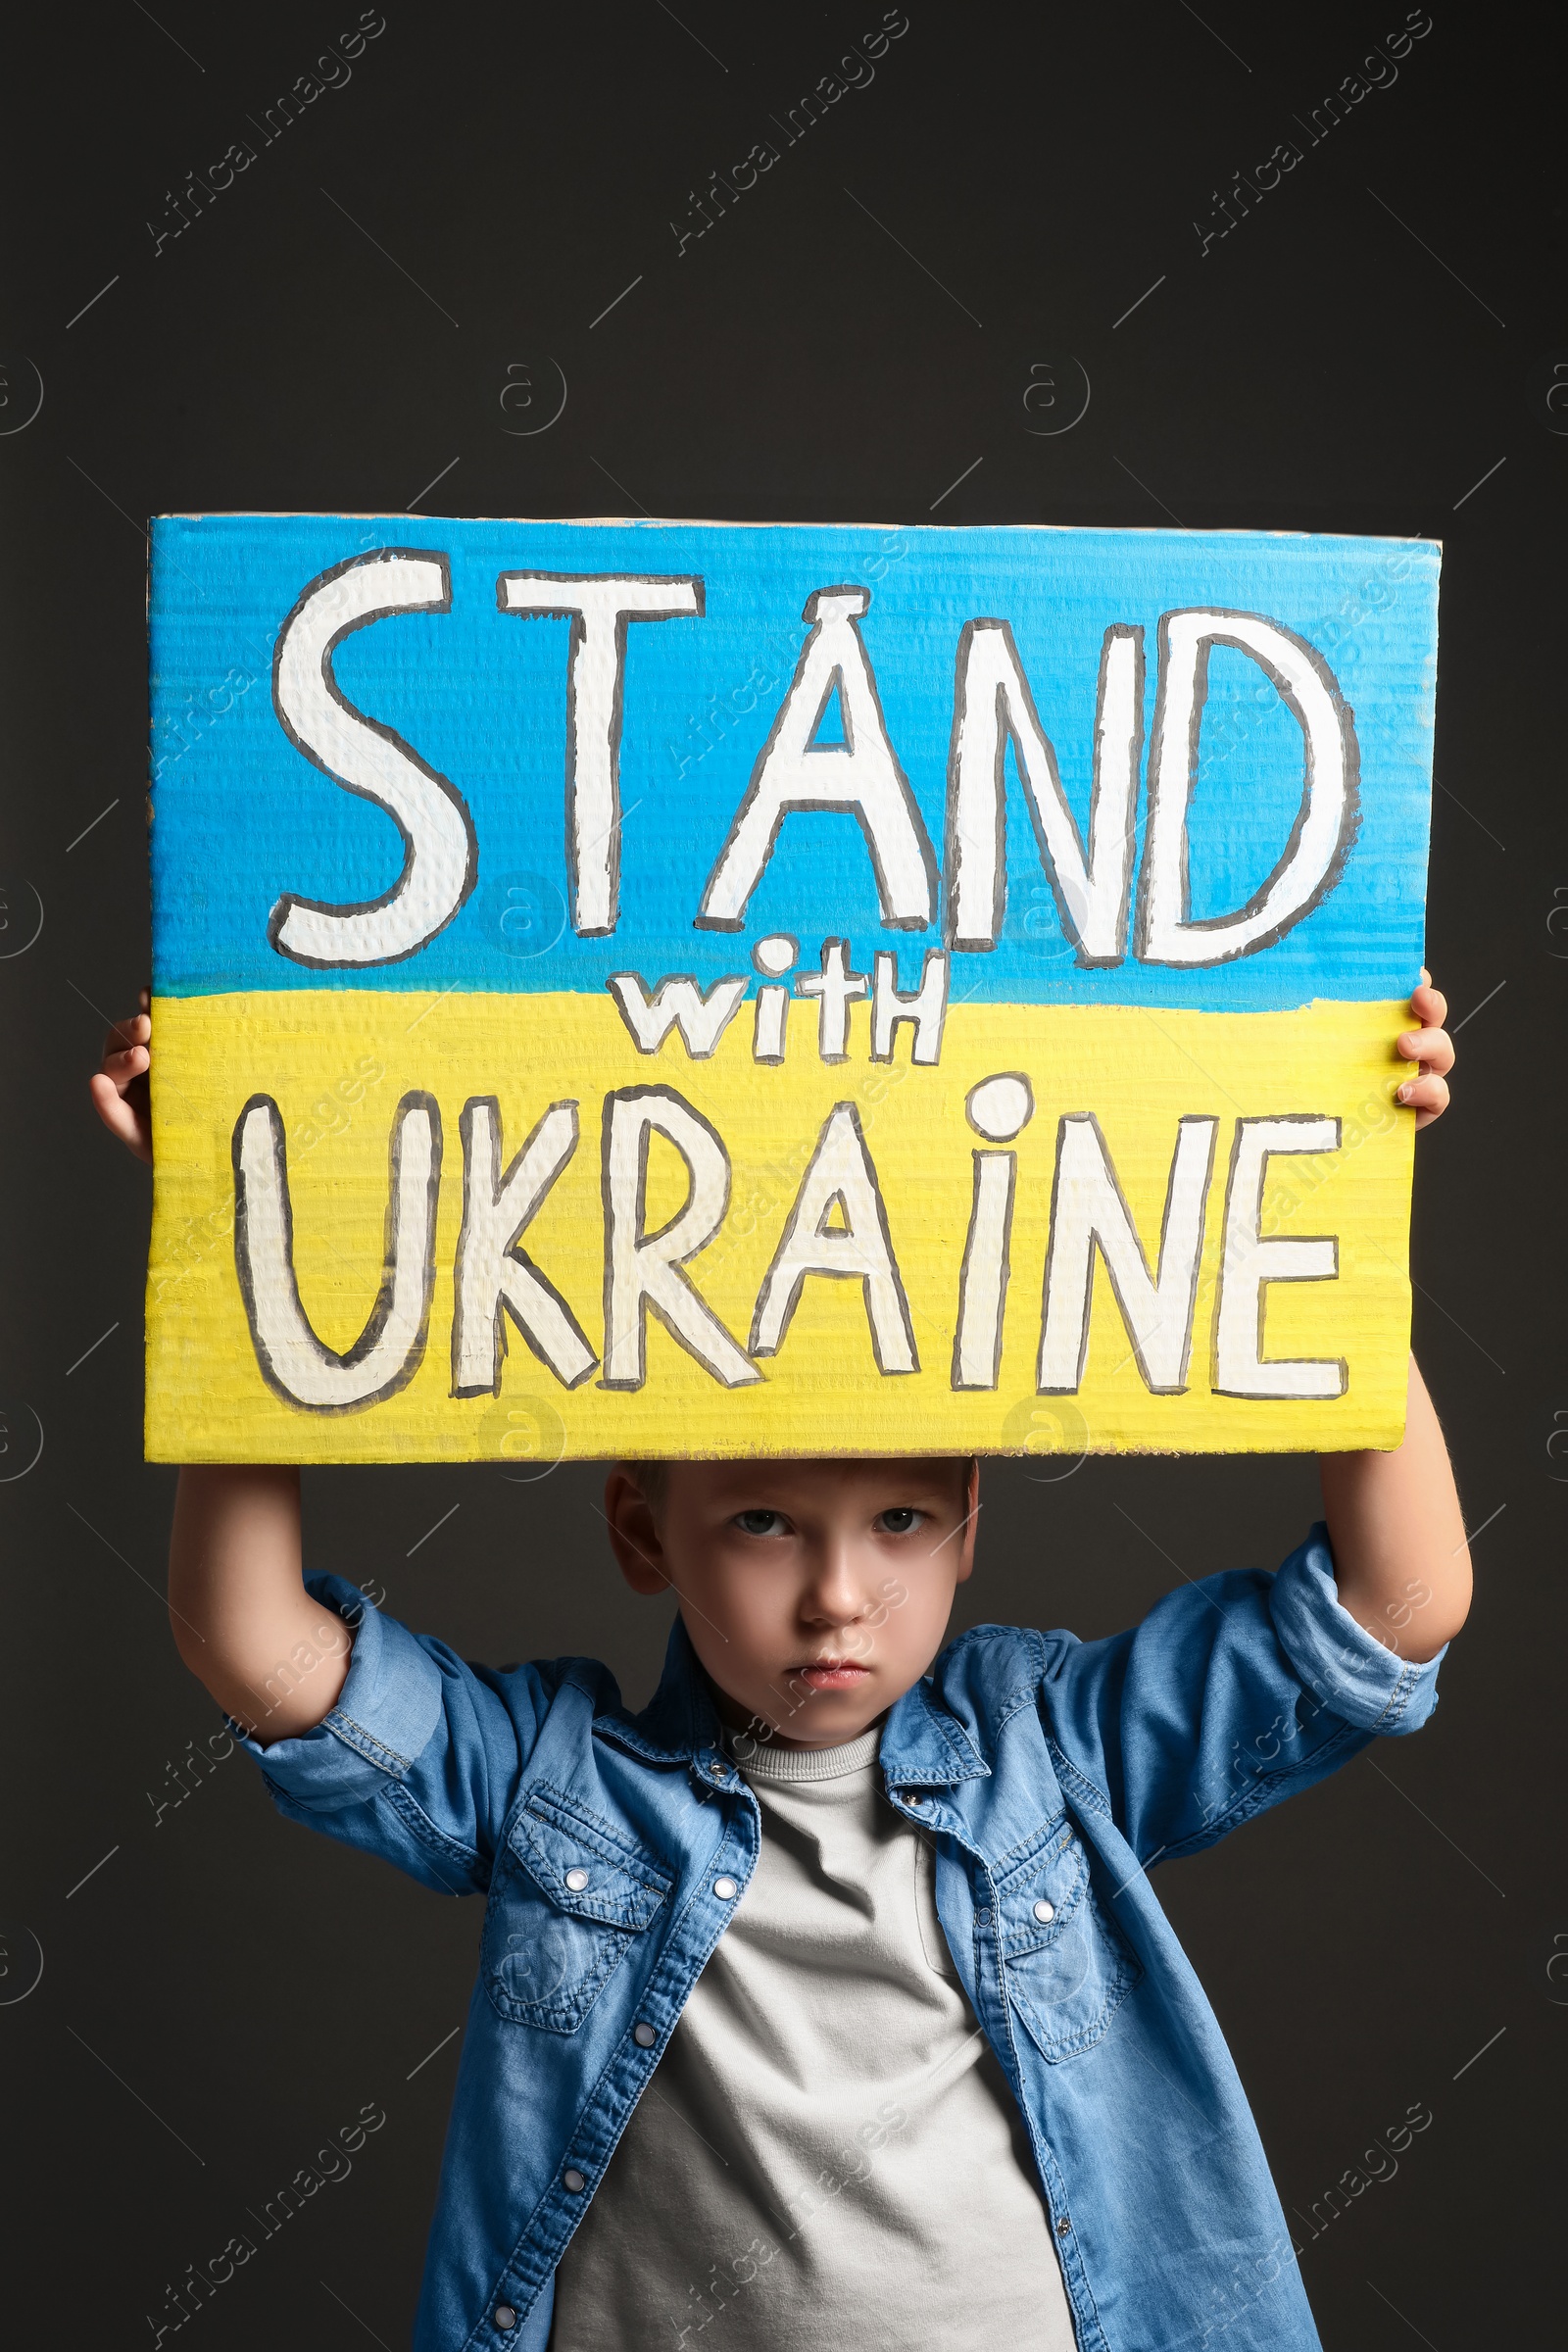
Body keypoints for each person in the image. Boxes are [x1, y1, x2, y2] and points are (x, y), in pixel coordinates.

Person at [93, 980, 1464, 2352]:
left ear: (970, 1522)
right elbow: (254, 1647)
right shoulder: (560, 1779)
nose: (836, 1598)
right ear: (644, 1531)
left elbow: (1398, 1606)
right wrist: (229, 1238)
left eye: (901, 1524)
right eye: (762, 1525)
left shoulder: (1060, 1749)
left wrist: (1345, 1215)